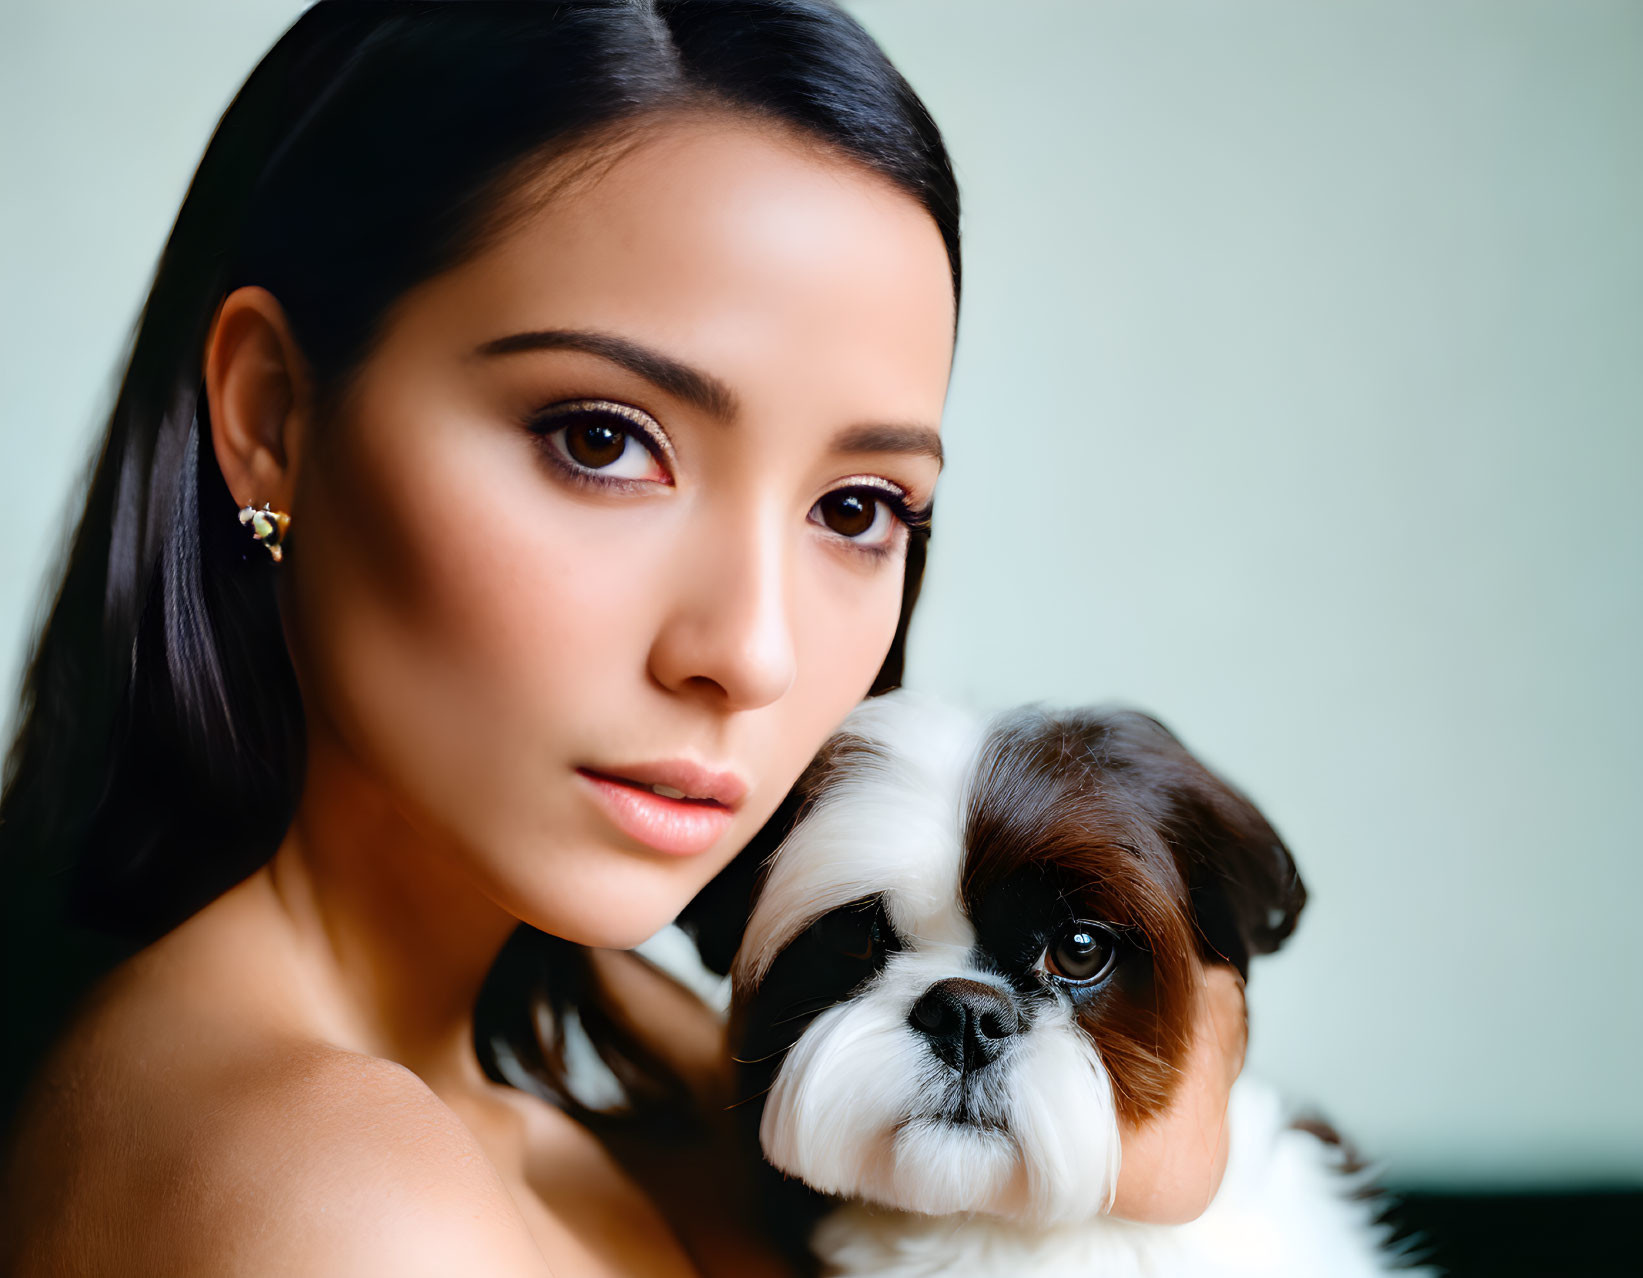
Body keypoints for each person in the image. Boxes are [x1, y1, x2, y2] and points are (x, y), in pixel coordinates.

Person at [0, 2, 1248, 1273]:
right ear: (272, 415)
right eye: (600, 440)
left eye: (856, 508)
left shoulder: (603, 1041)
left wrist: (1141, 1108)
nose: (749, 651)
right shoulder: (337, 1200)